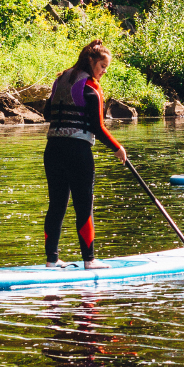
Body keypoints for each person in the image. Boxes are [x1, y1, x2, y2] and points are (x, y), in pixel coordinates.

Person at [41, 40, 128, 269]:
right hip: (78, 152)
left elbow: (47, 113)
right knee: (84, 205)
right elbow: (98, 128)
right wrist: (118, 148)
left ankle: (52, 260)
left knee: (56, 205)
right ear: (91, 61)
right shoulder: (90, 88)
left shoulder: (60, 80)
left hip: (52, 150)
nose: (103, 72)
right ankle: (89, 260)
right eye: (102, 67)